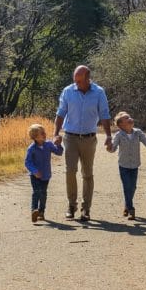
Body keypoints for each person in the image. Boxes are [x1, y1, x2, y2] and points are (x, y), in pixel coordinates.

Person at [53, 65, 112, 222]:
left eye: (79, 81)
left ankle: (86, 209)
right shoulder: (68, 91)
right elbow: (60, 114)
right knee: (70, 171)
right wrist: (56, 134)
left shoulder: (99, 92)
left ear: (88, 79)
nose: (77, 84)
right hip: (70, 137)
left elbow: (104, 114)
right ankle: (71, 206)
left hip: (89, 138)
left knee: (87, 174)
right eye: (75, 81)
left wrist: (108, 135)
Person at [107, 111, 146, 220]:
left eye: (130, 117)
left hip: (135, 165)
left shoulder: (138, 133)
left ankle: (127, 205)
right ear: (121, 125)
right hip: (124, 165)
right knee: (127, 186)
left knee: (133, 187)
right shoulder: (119, 135)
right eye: (126, 118)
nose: (130, 119)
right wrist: (109, 147)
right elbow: (113, 148)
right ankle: (131, 209)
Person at [25, 123, 64, 222]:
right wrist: (34, 171)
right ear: (35, 137)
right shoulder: (31, 149)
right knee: (36, 192)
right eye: (42, 133)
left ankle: (41, 212)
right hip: (35, 176)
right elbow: (27, 162)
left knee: (43, 194)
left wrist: (58, 144)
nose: (44, 134)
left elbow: (59, 152)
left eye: (44, 132)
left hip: (46, 175)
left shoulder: (48, 144)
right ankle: (34, 211)